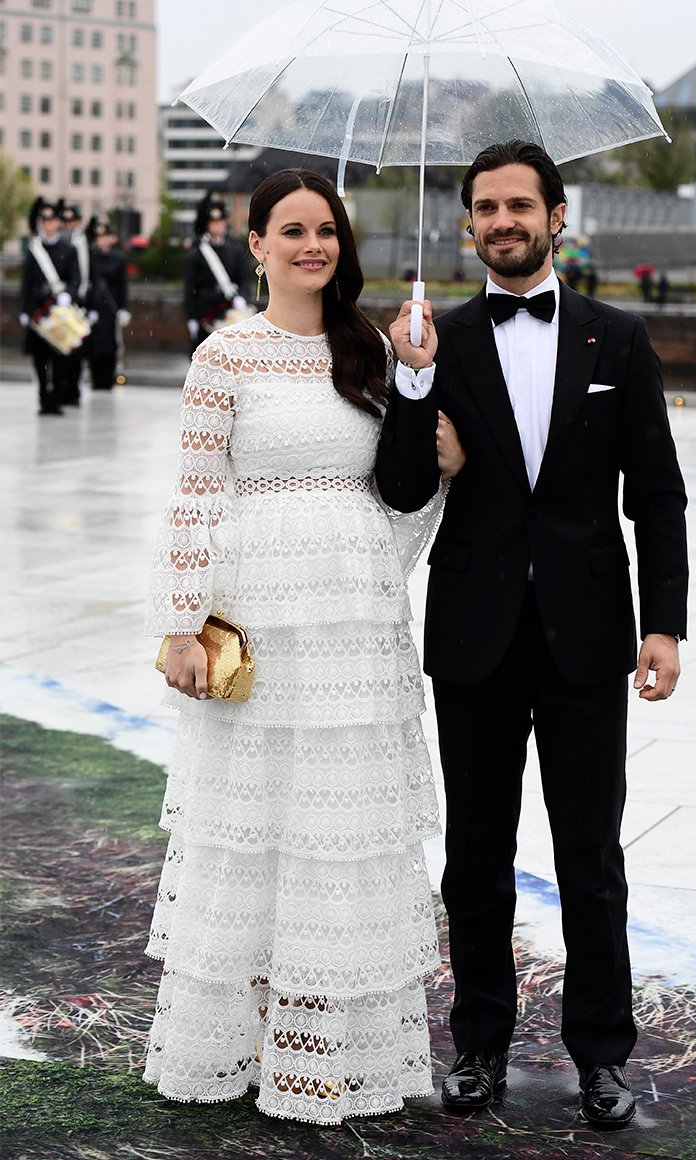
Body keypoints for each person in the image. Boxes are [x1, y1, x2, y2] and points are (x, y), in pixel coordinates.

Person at [376, 140, 688, 1128]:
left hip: (588, 634)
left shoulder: (618, 337)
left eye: (519, 205)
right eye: (485, 207)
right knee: (475, 857)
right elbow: (402, 488)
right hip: (476, 635)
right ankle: (478, 1045)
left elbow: (658, 495)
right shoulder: (438, 339)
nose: (502, 221)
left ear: (557, 216)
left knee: (591, 857)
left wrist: (665, 624)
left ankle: (602, 1055)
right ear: (467, 222)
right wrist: (414, 384)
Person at [143, 169, 464, 1125]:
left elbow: (395, 495)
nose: (312, 245)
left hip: (353, 631)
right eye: (292, 230)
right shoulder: (224, 356)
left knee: (339, 837)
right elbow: (196, 495)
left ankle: (319, 1054)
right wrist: (179, 624)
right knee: (255, 830)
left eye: (326, 230)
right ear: (257, 246)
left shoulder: (372, 350)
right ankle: (234, 1044)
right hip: (258, 623)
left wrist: (438, 453)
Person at [19, 198, 82, 416]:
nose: (48, 224)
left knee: (60, 356)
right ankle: (43, 399)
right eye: (44, 221)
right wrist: (25, 310)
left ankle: (56, 400)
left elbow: (75, 278)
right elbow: (26, 283)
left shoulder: (69, 249)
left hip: (58, 309)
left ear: (58, 223)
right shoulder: (34, 250)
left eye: (52, 220)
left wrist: (68, 295)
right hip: (39, 308)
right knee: (39, 357)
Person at [183, 193, 251, 351]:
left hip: (230, 309)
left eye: (220, 222)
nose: (218, 226)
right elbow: (190, 287)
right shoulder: (198, 251)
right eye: (213, 222)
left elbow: (243, 278)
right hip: (206, 311)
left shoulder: (235, 249)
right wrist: (192, 317)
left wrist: (242, 297)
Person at [84, 217, 130, 391]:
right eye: (99, 237)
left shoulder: (118, 258)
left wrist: (124, 308)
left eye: (105, 236)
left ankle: (108, 378)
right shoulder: (90, 256)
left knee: (111, 344)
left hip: (111, 307)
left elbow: (122, 285)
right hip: (95, 306)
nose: (101, 240)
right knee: (94, 344)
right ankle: (96, 379)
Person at [59, 201, 89, 405]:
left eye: (73, 221)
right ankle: (63, 389)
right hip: (65, 299)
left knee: (79, 349)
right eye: (66, 221)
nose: (70, 225)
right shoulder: (61, 242)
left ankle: (74, 390)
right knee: (63, 347)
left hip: (82, 300)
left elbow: (91, 273)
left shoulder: (85, 242)